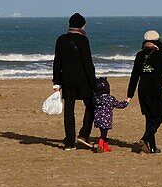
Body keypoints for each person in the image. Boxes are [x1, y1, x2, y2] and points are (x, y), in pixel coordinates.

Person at [52, 12, 97, 150]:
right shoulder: (83, 40)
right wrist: (93, 82)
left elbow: (57, 62)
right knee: (91, 106)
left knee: (69, 111)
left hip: (67, 80)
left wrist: (56, 82)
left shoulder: (61, 39)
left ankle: (69, 142)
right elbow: (88, 63)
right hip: (83, 80)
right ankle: (83, 135)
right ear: (81, 25)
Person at [127, 29, 162, 154]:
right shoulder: (161, 55)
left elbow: (134, 76)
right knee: (160, 116)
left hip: (142, 89)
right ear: (157, 41)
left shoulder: (139, 55)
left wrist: (130, 95)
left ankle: (152, 147)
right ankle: (144, 138)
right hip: (156, 89)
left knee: (149, 119)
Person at [92, 77, 129, 153]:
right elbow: (119, 105)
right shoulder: (110, 98)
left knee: (103, 132)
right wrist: (126, 101)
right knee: (104, 133)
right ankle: (100, 144)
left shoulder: (97, 98)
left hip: (98, 119)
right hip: (106, 119)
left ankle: (105, 147)